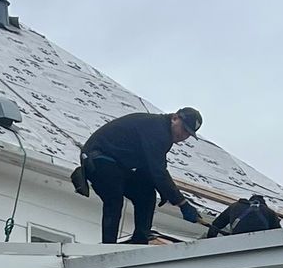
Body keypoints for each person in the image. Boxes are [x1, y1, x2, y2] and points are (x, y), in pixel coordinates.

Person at [72, 105, 205, 245]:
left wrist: (164, 191)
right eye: (183, 129)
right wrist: (182, 203)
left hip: (118, 165)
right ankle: (108, 246)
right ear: (174, 118)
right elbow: (158, 171)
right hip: (99, 159)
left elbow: (148, 169)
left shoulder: (163, 134)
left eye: (188, 134)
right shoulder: (157, 129)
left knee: (146, 194)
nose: (183, 136)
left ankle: (139, 241)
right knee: (114, 199)